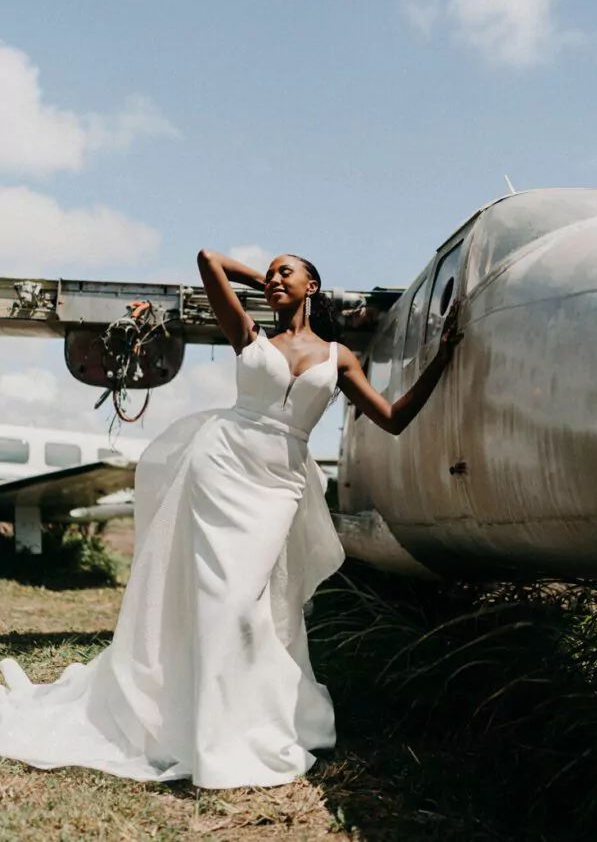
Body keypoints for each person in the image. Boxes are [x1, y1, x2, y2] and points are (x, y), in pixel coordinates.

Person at [0, 250, 461, 790]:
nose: (273, 279)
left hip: (280, 487)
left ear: (313, 284)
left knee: (253, 606)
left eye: (285, 272)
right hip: (220, 469)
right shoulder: (249, 336)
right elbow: (208, 261)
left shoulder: (339, 358)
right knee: (224, 600)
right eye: (269, 274)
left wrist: (442, 357)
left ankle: (252, 715)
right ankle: (209, 730)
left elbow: (394, 419)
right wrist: (260, 279)